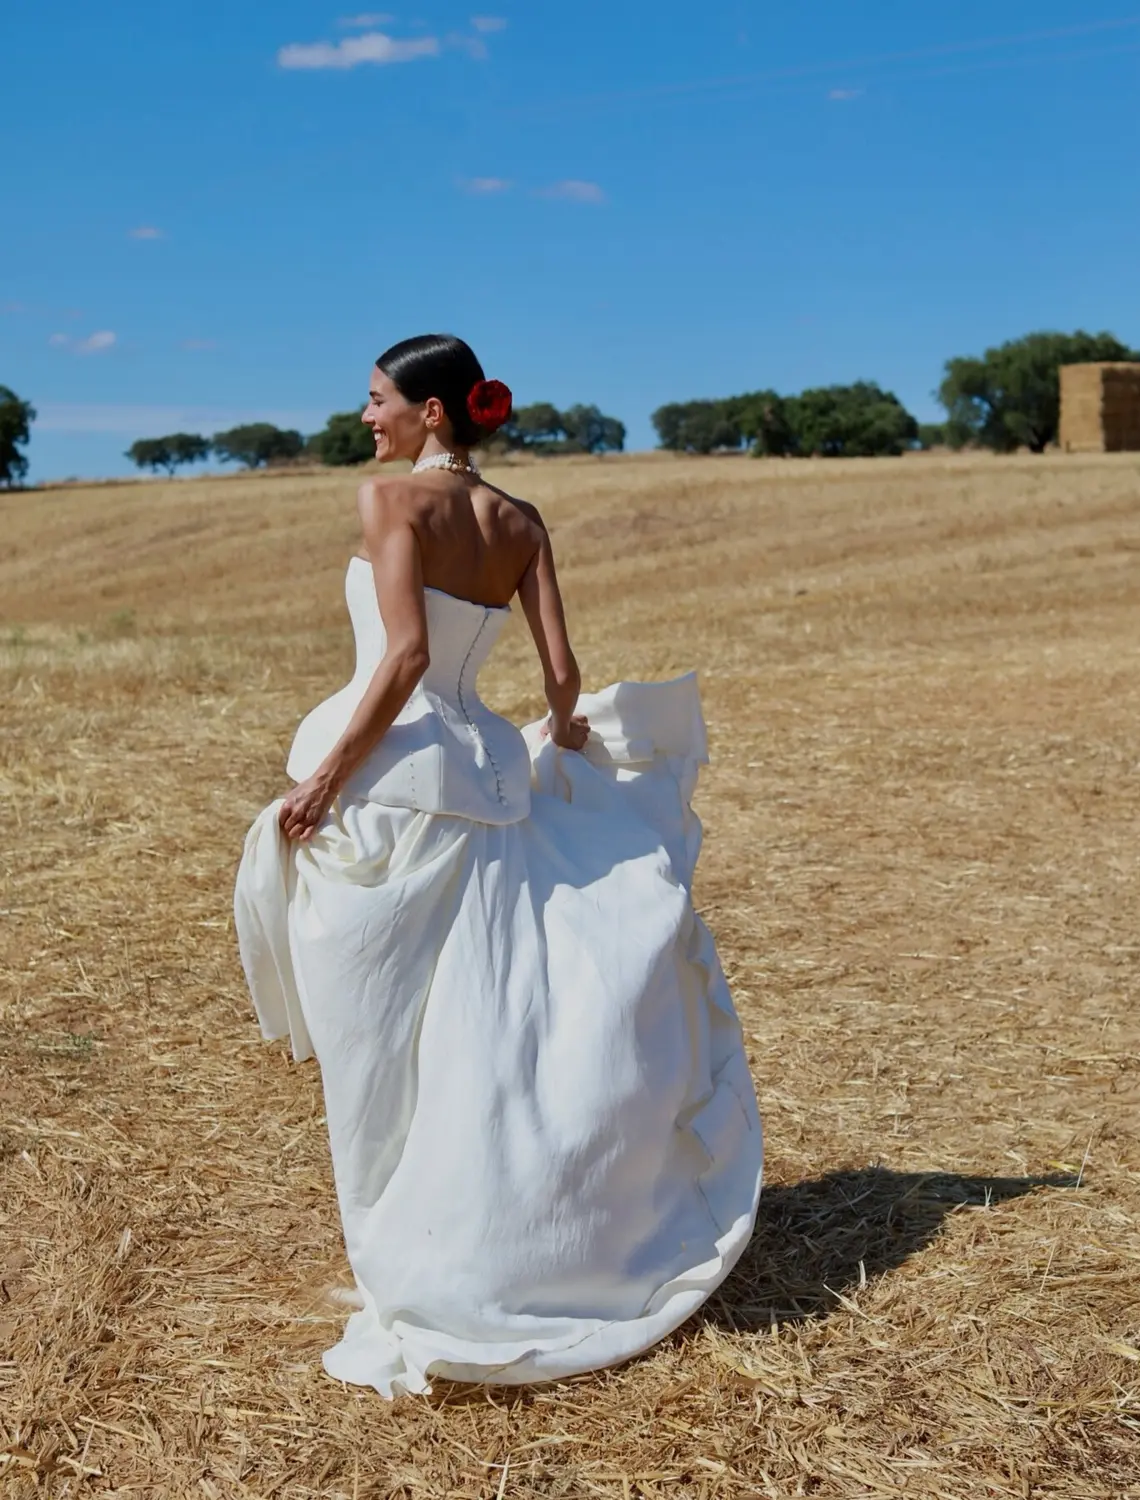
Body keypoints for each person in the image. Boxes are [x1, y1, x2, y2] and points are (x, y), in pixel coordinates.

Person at [234, 334, 762, 1398]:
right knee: (480, 1032)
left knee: (382, 1039)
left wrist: (330, 778)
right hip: (488, 788)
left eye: (380, 399)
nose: (366, 414)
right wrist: (560, 742)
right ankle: (513, 1233)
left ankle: (425, 1250)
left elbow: (407, 658)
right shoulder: (519, 522)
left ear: (433, 413)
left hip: (397, 786)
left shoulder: (392, 505)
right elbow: (562, 675)